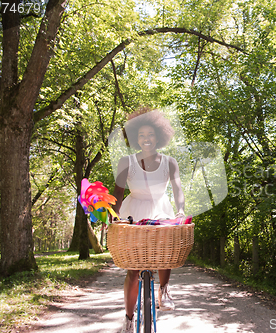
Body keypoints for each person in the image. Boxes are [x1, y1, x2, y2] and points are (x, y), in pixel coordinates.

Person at [111, 107, 185, 333]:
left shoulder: (170, 162)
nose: (146, 139)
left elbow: (178, 189)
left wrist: (180, 210)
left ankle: (164, 291)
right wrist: (113, 216)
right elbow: (118, 193)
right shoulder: (127, 162)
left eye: (150, 134)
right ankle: (129, 319)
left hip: (160, 209)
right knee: (133, 270)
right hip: (133, 210)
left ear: (158, 136)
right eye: (141, 135)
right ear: (135, 138)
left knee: (165, 251)